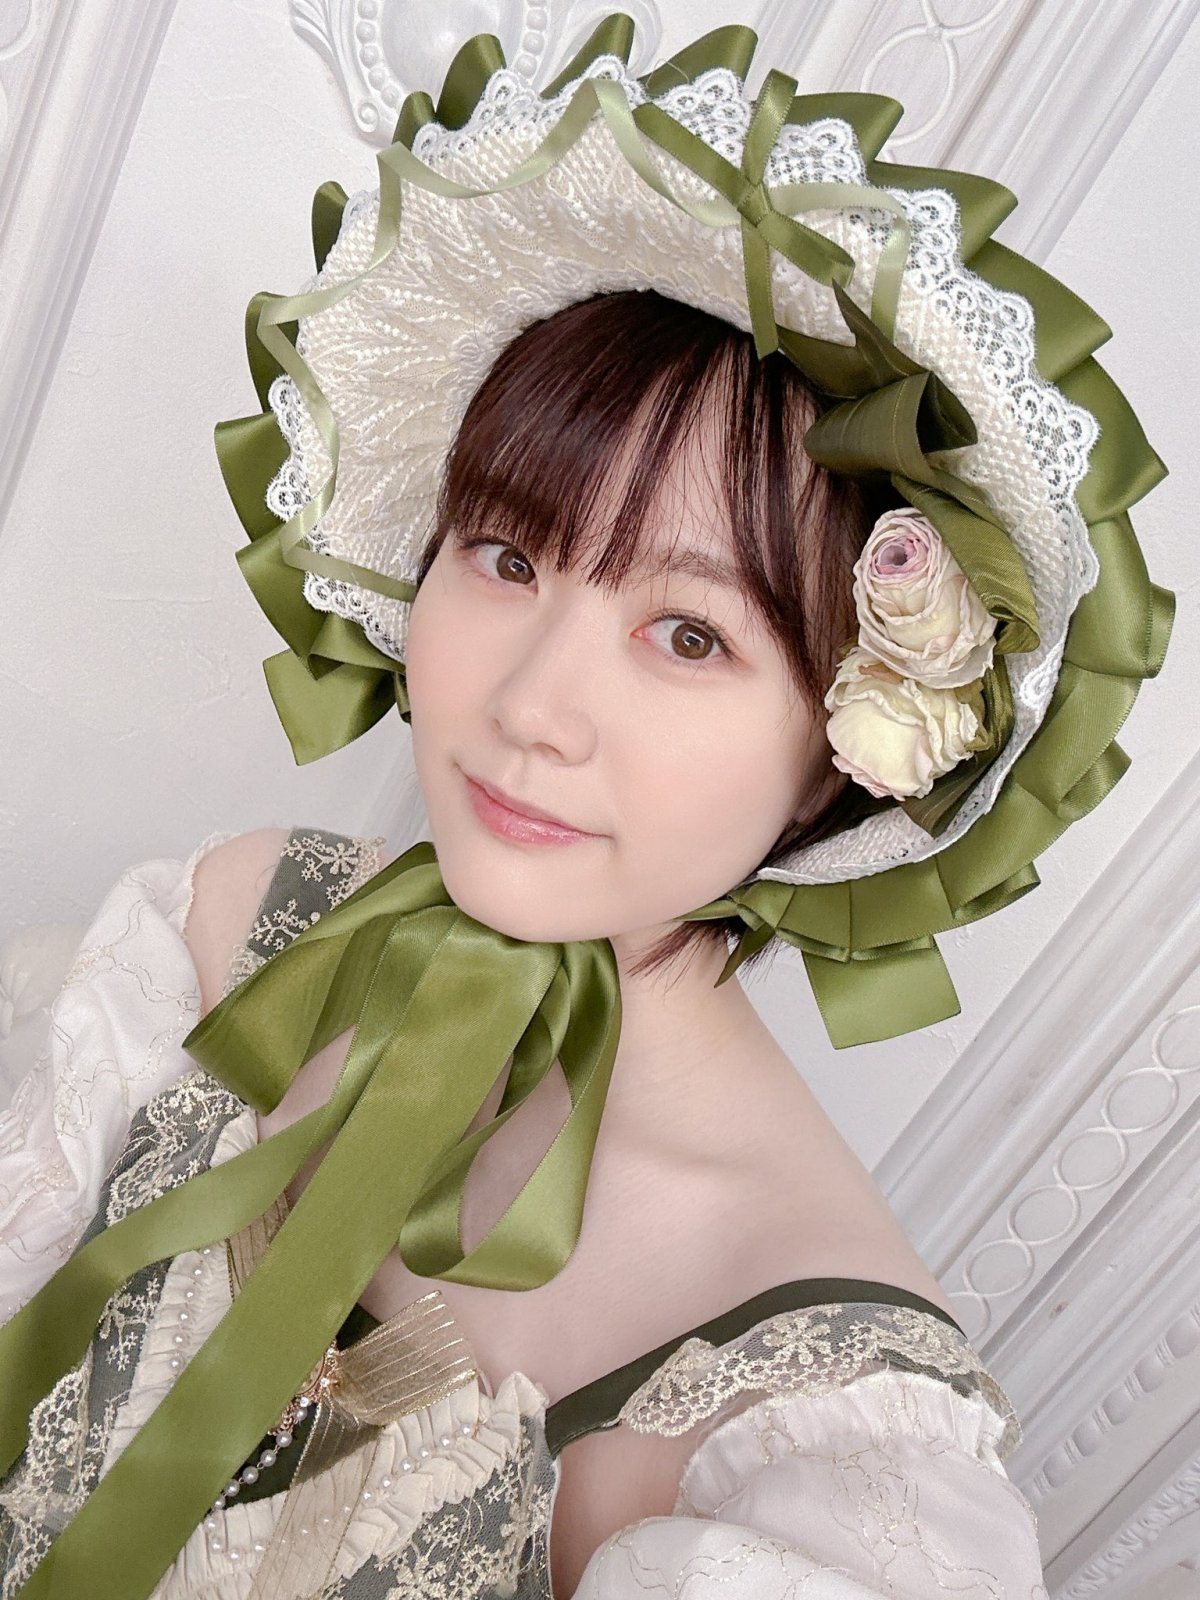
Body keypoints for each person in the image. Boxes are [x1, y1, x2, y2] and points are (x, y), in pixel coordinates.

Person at [0, 13, 1172, 1599]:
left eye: (689, 636)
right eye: (505, 554)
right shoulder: (229, 923)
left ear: (849, 744)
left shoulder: (820, 1436)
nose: (533, 707)